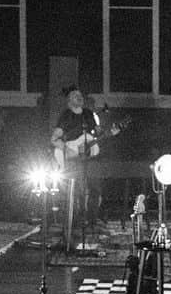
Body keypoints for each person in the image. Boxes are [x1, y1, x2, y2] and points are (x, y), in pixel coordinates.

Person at [49, 86, 121, 248]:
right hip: (73, 161)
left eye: (80, 95)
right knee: (78, 193)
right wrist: (69, 149)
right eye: (75, 95)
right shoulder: (65, 116)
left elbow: (98, 134)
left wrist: (110, 133)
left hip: (91, 159)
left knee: (95, 190)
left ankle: (92, 222)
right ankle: (75, 225)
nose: (79, 97)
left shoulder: (89, 115)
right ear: (69, 101)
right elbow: (54, 139)